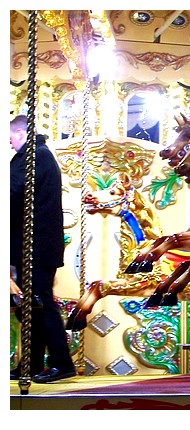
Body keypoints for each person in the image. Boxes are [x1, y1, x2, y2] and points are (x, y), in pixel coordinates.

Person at [10, 114, 76, 383]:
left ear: (21, 133)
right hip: (36, 243)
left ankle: (62, 361)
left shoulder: (34, 156)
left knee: (40, 302)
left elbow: (13, 190)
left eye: (12, 136)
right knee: (31, 305)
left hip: (34, 244)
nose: (10, 142)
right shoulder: (39, 155)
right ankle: (33, 362)